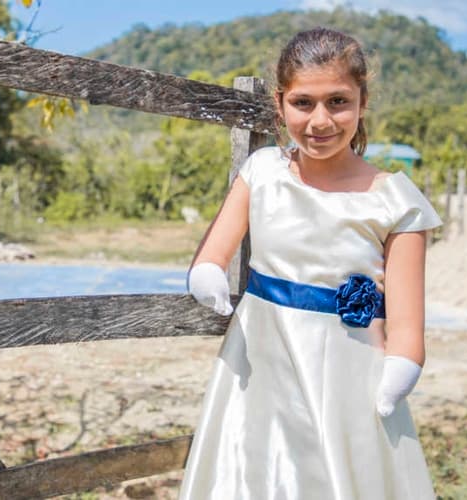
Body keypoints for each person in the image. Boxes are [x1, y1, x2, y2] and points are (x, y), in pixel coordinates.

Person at [180, 28, 440, 499]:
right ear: (280, 104)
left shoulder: (397, 199)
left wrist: (404, 361)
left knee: (339, 474)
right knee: (254, 466)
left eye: (338, 101)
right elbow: (214, 250)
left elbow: (407, 318)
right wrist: (207, 271)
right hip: (259, 358)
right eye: (304, 103)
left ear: (363, 102)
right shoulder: (262, 171)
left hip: (350, 368)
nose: (321, 121)